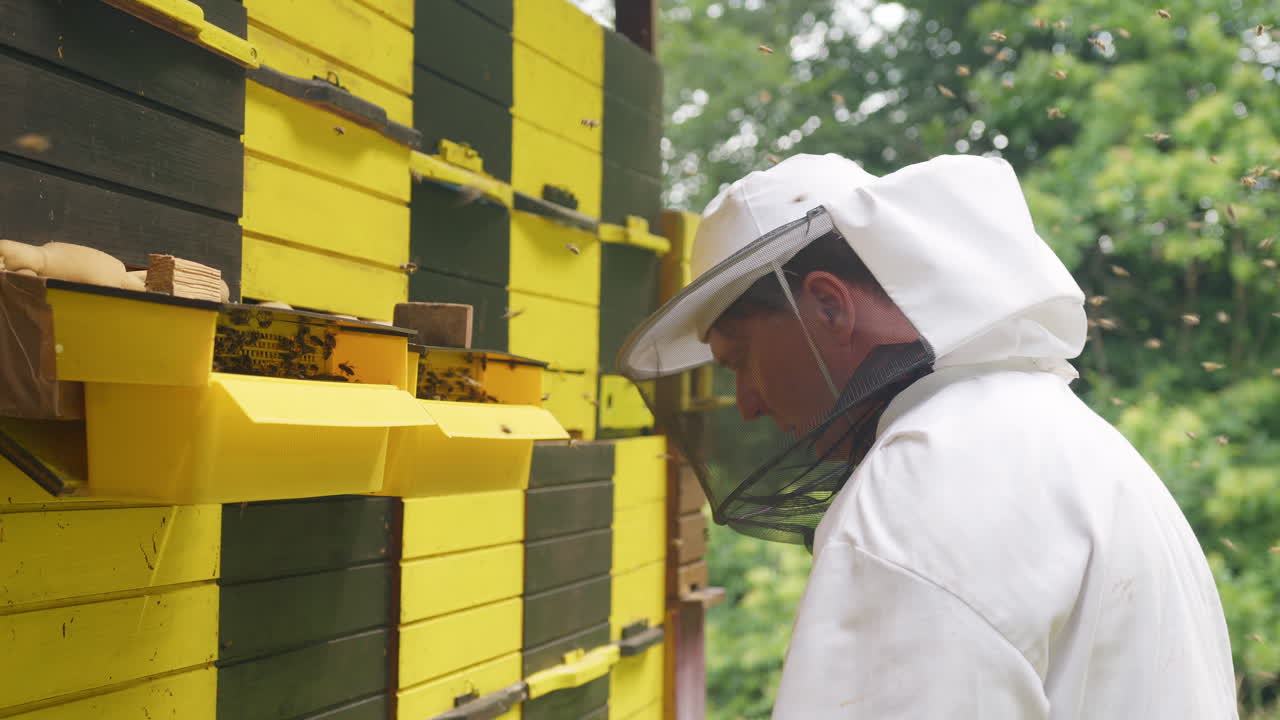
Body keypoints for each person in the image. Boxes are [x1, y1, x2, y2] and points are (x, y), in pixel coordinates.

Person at [617, 154, 1238, 718]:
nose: (746, 404)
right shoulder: (1065, 434)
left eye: (741, 359)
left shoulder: (920, 484)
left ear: (829, 307)